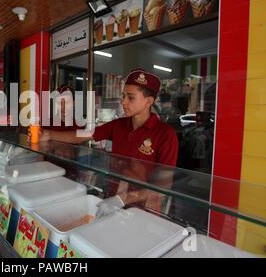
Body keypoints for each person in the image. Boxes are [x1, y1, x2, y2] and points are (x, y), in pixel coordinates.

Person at [29, 69, 179, 213]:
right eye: (123, 96)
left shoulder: (165, 134)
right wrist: (49, 134)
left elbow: (163, 185)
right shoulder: (119, 125)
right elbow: (83, 134)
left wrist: (125, 199)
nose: (123, 102)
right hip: (114, 200)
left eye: (130, 97)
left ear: (148, 101)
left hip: (144, 208)